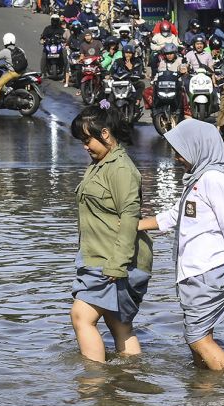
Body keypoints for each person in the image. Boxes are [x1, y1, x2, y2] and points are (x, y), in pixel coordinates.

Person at [138, 119, 224, 370]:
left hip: (207, 271)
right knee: (198, 335)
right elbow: (175, 215)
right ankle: (205, 395)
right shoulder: (197, 179)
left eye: (181, 150)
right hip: (195, 272)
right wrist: (135, 225)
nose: (177, 157)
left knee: (197, 337)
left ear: (198, 146)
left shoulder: (214, 179)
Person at [69, 105, 153, 363]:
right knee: (119, 323)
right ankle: (128, 379)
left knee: (81, 316)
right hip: (103, 255)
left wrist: (117, 266)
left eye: (87, 139)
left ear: (105, 133)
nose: (85, 146)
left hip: (114, 259)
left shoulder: (121, 169)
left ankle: (94, 384)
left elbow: (130, 217)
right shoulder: (101, 163)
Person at [0, 32, 28, 110]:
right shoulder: (20, 49)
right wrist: (8, 65)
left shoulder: (5, 51)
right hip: (23, 72)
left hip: (13, 74)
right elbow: (25, 60)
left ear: (5, 41)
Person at [64, 21, 84, 88]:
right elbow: (68, 44)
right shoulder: (72, 36)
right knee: (68, 65)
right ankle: (66, 82)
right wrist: (67, 47)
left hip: (81, 53)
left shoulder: (82, 35)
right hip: (73, 53)